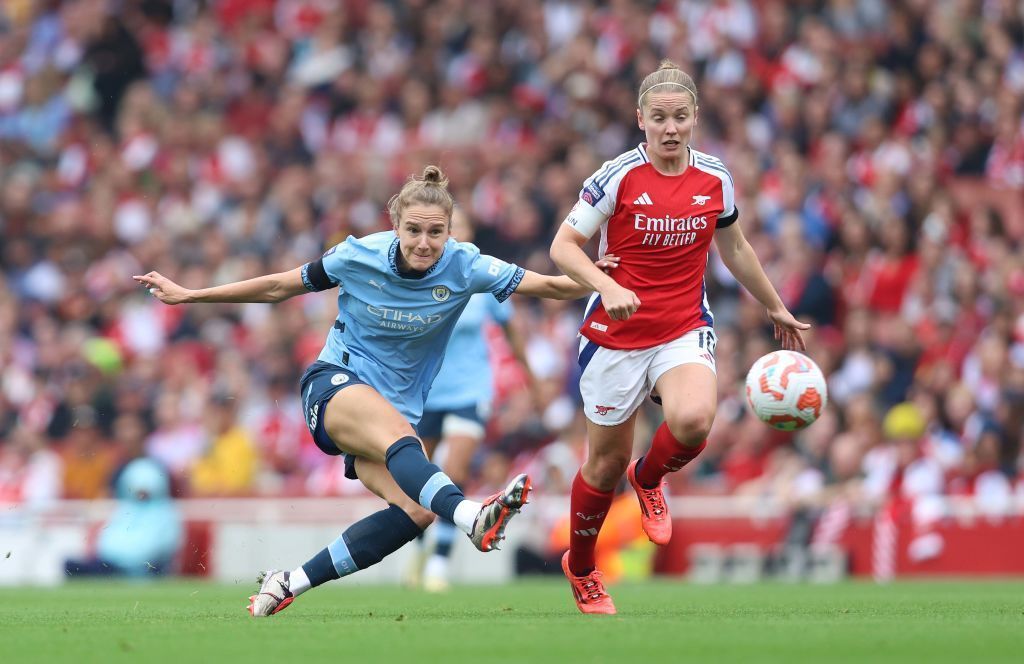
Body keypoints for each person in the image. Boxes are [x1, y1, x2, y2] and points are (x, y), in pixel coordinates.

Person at [134, 165, 612, 617]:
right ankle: (471, 517)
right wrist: (192, 295)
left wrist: (601, 278)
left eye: (436, 232)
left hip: (390, 411)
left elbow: (550, 285)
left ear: (450, 231)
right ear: (396, 225)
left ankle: (289, 582)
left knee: (418, 513)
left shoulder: (467, 266)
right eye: (414, 231)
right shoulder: (355, 255)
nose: (424, 243)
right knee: (402, 444)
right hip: (332, 386)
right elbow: (280, 287)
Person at [549, 60, 810, 615]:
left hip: (682, 327)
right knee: (601, 467)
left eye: (681, 117)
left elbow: (734, 246)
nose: (671, 128)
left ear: (695, 119)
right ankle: (583, 567)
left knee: (693, 420)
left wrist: (775, 306)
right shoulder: (617, 176)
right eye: (660, 117)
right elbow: (563, 246)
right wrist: (603, 283)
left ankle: (649, 478)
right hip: (615, 335)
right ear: (640, 118)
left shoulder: (715, 177)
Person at [411, 208, 539, 592]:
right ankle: (418, 550)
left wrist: (531, 381)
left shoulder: (483, 278)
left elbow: (512, 332)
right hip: (426, 392)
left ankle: (438, 564)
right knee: (415, 480)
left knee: (454, 470)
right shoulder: (417, 279)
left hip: (470, 391)